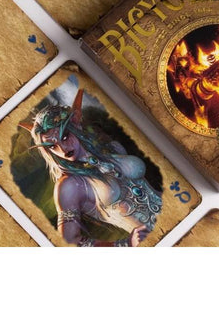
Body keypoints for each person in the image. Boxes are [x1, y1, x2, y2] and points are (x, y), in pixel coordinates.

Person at [20, 89, 162, 246]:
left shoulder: (111, 148)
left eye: (65, 137)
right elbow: (69, 241)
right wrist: (126, 244)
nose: (63, 149)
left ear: (76, 125)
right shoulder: (69, 185)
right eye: (52, 146)